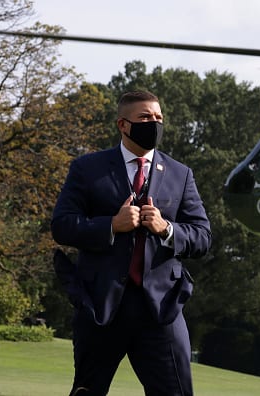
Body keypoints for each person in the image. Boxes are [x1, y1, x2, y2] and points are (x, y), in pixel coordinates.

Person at [51, 90, 212, 396]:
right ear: (123, 125)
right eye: (145, 118)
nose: (154, 123)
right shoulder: (87, 169)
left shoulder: (181, 174)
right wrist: (111, 224)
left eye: (158, 118)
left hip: (161, 310)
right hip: (101, 307)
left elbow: (202, 237)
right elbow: (61, 226)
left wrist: (166, 229)